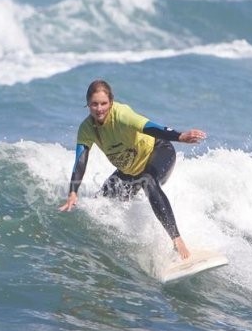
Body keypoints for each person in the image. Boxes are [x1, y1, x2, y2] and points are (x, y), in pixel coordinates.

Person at [59, 79, 207, 259]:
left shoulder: (122, 115)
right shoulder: (86, 129)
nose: (99, 109)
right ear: (88, 104)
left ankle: (177, 240)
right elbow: (81, 160)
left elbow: (151, 127)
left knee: (148, 181)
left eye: (104, 103)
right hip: (129, 171)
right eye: (94, 104)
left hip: (159, 152)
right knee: (101, 204)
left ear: (111, 102)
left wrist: (180, 136)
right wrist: (73, 192)